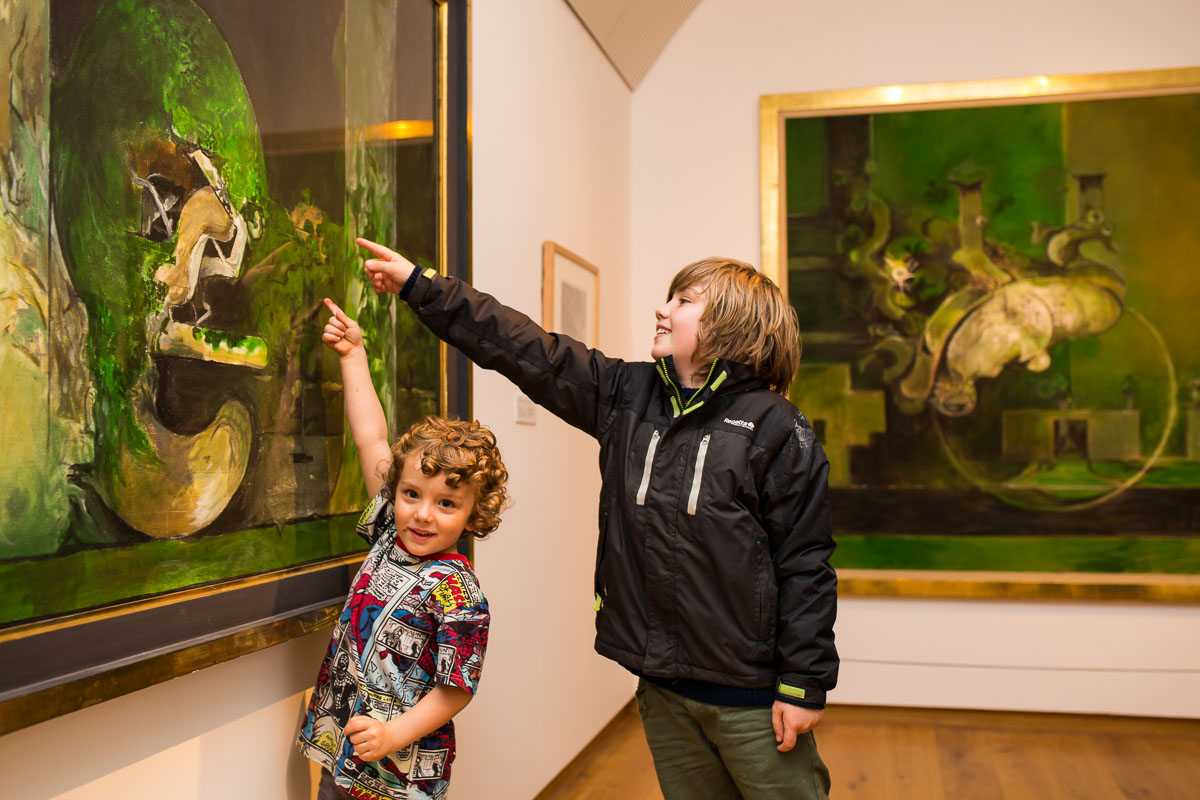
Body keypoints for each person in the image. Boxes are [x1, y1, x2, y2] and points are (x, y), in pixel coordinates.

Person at [358, 239, 837, 799]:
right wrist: (422, 287)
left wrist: (802, 683)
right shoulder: (627, 395)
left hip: (753, 696)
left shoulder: (778, 428)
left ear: (731, 324)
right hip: (662, 688)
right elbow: (525, 348)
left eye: (683, 300)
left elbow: (804, 563)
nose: (663, 309)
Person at [297, 298, 508, 800]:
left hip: (398, 777)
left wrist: (393, 734)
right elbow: (371, 438)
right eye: (412, 493)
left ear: (473, 514)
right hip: (343, 747)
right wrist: (353, 355)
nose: (422, 513)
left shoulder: (459, 593)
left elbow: (456, 688)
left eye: (447, 503)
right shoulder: (391, 527)